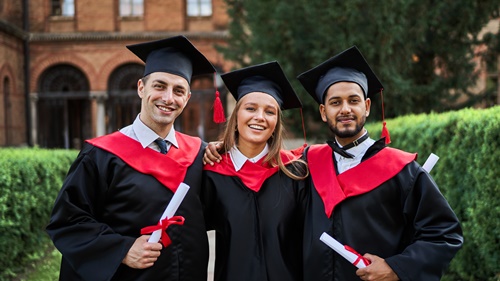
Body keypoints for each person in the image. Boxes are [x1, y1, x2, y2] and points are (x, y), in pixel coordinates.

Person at [46, 35, 216, 281]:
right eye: (159, 86)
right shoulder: (101, 155)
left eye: (178, 90)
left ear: (187, 98)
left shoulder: (199, 153)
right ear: (141, 88)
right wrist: (122, 249)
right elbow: (68, 221)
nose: (168, 98)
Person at [296, 46, 463, 281]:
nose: (345, 109)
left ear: (366, 106)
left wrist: (397, 268)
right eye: (335, 103)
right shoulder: (307, 164)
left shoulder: (402, 170)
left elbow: (444, 234)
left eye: (353, 101)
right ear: (324, 112)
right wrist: (224, 147)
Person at [202, 61, 309, 281]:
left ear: (276, 122)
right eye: (250, 108)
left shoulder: (295, 172)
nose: (259, 117)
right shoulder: (211, 172)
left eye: (270, 112)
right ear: (236, 116)